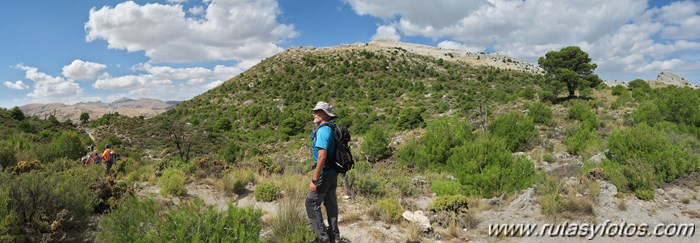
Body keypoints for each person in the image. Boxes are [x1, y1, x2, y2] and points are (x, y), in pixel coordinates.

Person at [305, 101, 341, 243]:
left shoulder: (322, 130)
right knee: (330, 202)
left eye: (317, 111)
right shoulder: (332, 128)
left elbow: (321, 156)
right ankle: (334, 236)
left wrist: (314, 180)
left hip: (324, 173)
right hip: (333, 172)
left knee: (311, 203)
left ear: (325, 114)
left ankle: (323, 238)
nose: (314, 114)